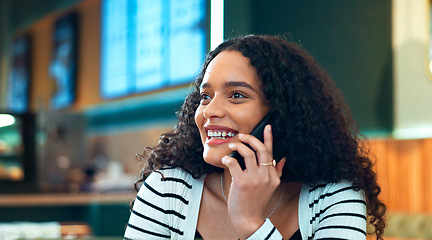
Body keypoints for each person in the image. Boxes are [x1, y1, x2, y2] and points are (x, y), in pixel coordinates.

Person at [124, 35, 386, 240]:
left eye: (237, 95)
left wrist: (251, 224)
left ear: (281, 113)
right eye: (206, 97)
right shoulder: (167, 190)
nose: (210, 111)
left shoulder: (333, 197)